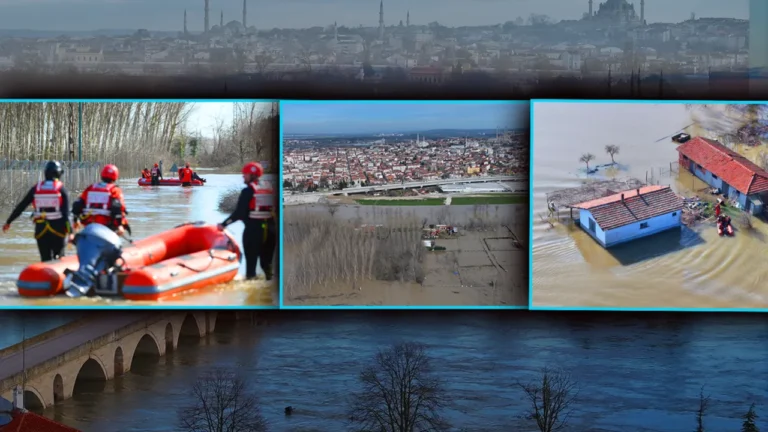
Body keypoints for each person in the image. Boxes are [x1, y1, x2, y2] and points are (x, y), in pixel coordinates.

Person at [2, 161, 72, 262]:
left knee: (45, 259)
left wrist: (8, 222)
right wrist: (71, 232)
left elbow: (21, 206)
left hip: (41, 230)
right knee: (59, 257)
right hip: (58, 230)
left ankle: (44, 272)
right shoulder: (61, 189)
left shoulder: (36, 188)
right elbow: (66, 215)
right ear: (58, 174)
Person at [217, 162, 276, 281]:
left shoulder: (247, 191)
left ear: (252, 175)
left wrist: (223, 224)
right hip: (271, 231)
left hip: (254, 231)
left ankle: (251, 287)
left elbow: (239, 213)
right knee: (267, 264)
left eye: (245, 174)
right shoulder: (270, 188)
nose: (243, 176)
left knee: (251, 267)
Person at [72, 164, 131, 236]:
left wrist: (75, 220)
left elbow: (78, 204)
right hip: (106, 227)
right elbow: (118, 208)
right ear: (115, 176)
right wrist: (120, 225)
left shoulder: (91, 188)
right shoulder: (115, 190)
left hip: (89, 226)